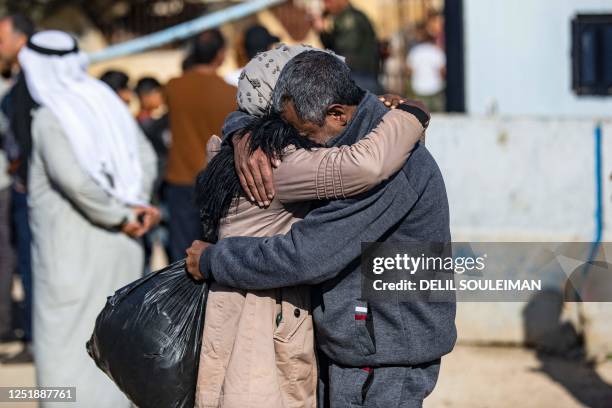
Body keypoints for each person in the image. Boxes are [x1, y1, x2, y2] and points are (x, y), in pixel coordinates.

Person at [187, 51, 454, 408]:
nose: (298, 143)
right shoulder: (347, 136)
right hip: (362, 342)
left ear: (337, 114)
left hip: (383, 348)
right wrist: (241, 131)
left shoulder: (389, 170)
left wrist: (214, 260)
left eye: (304, 133)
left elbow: (307, 255)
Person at [19, 31, 159, 408]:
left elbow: (75, 181)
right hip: (123, 248)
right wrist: (136, 208)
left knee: (65, 354)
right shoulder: (107, 105)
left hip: (70, 258)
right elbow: (144, 160)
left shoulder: (50, 117)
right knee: (113, 349)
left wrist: (120, 216)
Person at [164, 28, 235, 262]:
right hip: (217, 182)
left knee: (180, 257)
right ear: (221, 54)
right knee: (212, 255)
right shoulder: (230, 93)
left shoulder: (173, 87)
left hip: (180, 180)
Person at [0, 12, 35, 362]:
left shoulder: (29, 86)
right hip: (23, 185)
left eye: (2, 39)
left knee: (28, 263)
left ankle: (35, 337)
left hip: (27, 189)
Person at [313, 0, 383, 94]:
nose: (326, 6)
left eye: (329, 2)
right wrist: (322, 32)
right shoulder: (344, 17)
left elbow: (344, 49)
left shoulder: (349, 18)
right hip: (357, 76)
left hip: (359, 78)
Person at [407, 24, 446, 112]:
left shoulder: (415, 51)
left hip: (419, 88)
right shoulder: (436, 51)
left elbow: (409, 71)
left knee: (421, 117)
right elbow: (442, 71)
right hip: (435, 88)